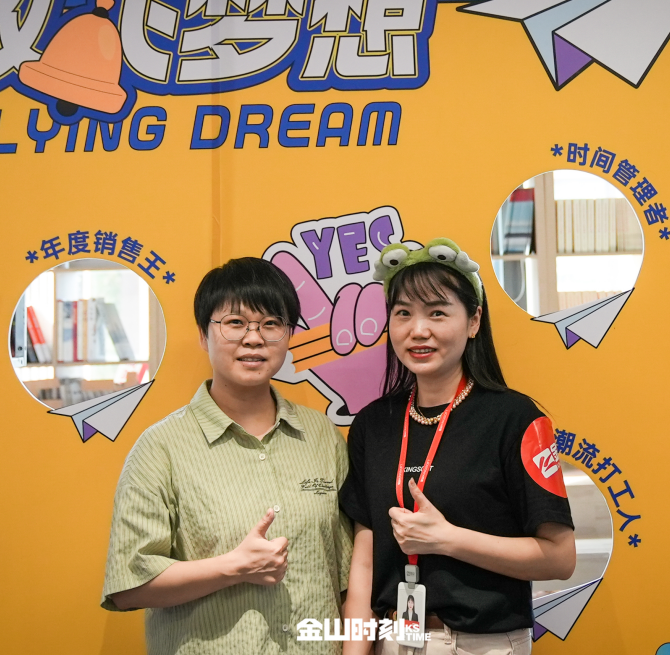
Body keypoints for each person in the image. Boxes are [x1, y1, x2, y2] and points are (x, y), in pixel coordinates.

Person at [102, 257, 354, 655]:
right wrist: (233, 567)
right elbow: (128, 586)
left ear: (288, 335)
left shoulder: (322, 435)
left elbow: (347, 573)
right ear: (204, 335)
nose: (254, 338)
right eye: (235, 323)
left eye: (271, 323)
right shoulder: (161, 448)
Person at [339, 238, 578, 655]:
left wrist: (447, 539)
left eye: (437, 312)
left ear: (473, 320)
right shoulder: (373, 424)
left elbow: (560, 558)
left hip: (481, 644)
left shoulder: (515, 418)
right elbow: (364, 560)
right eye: (403, 313)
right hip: (395, 639)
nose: (418, 330)